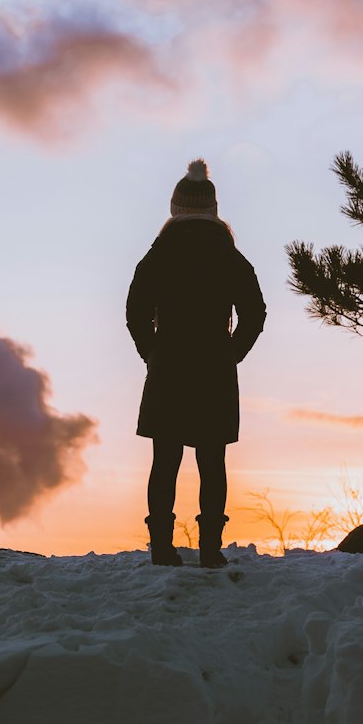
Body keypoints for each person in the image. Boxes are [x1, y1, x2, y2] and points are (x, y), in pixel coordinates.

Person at [126, 159, 266, 567]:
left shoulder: (158, 255)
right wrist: (231, 354)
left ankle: (163, 549)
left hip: (168, 366)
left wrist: (151, 353)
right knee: (212, 460)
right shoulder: (229, 256)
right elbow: (255, 314)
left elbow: (135, 312)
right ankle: (209, 550)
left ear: (175, 208)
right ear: (213, 209)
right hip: (213, 370)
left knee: (164, 460)